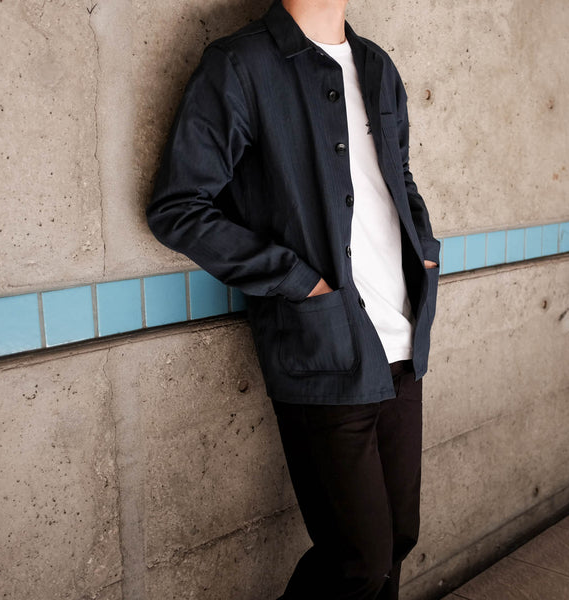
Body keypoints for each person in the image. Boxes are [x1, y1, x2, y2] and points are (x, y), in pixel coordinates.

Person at [145, 0, 440, 598]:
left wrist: (424, 246)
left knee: (398, 541)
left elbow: (398, 172)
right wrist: (300, 281)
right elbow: (178, 207)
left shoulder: (378, 65)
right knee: (357, 563)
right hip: (323, 348)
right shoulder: (241, 64)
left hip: (402, 339)